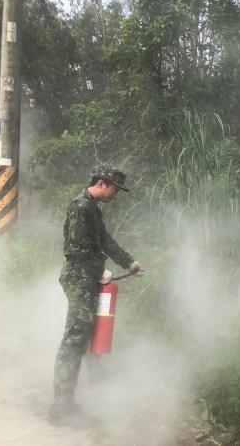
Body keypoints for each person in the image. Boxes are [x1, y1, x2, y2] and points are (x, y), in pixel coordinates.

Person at [48, 165, 145, 427]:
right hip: (78, 277)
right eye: (115, 189)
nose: (116, 195)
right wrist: (100, 270)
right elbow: (77, 248)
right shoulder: (81, 207)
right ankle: (61, 406)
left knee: (89, 332)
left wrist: (129, 263)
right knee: (76, 337)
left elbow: (105, 240)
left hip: (86, 277)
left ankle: (91, 383)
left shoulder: (93, 208)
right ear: (102, 183)